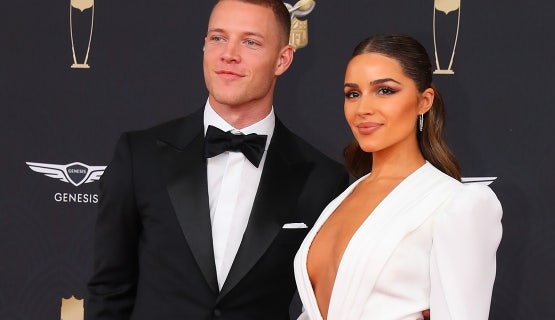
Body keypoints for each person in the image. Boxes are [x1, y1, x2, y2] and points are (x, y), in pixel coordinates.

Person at [85, 0, 349, 319]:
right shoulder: (140, 155)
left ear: (282, 59)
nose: (229, 55)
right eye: (218, 38)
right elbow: (108, 290)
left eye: (250, 42)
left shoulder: (322, 179)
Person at [293, 34, 503, 319]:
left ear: (424, 101)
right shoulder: (342, 197)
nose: (363, 109)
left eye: (385, 91)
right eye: (353, 94)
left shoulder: (457, 204)